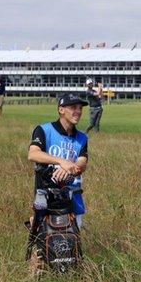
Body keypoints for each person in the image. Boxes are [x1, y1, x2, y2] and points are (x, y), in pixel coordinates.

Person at [28, 93, 89, 229]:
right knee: (45, 240)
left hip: (74, 198)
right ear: (61, 110)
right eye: (73, 107)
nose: (78, 112)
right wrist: (62, 162)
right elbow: (33, 154)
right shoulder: (43, 130)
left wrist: (68, 167)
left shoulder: (82, 138)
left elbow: (82, 164)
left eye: (80, 108)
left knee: (73, 241)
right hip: (46, 196)